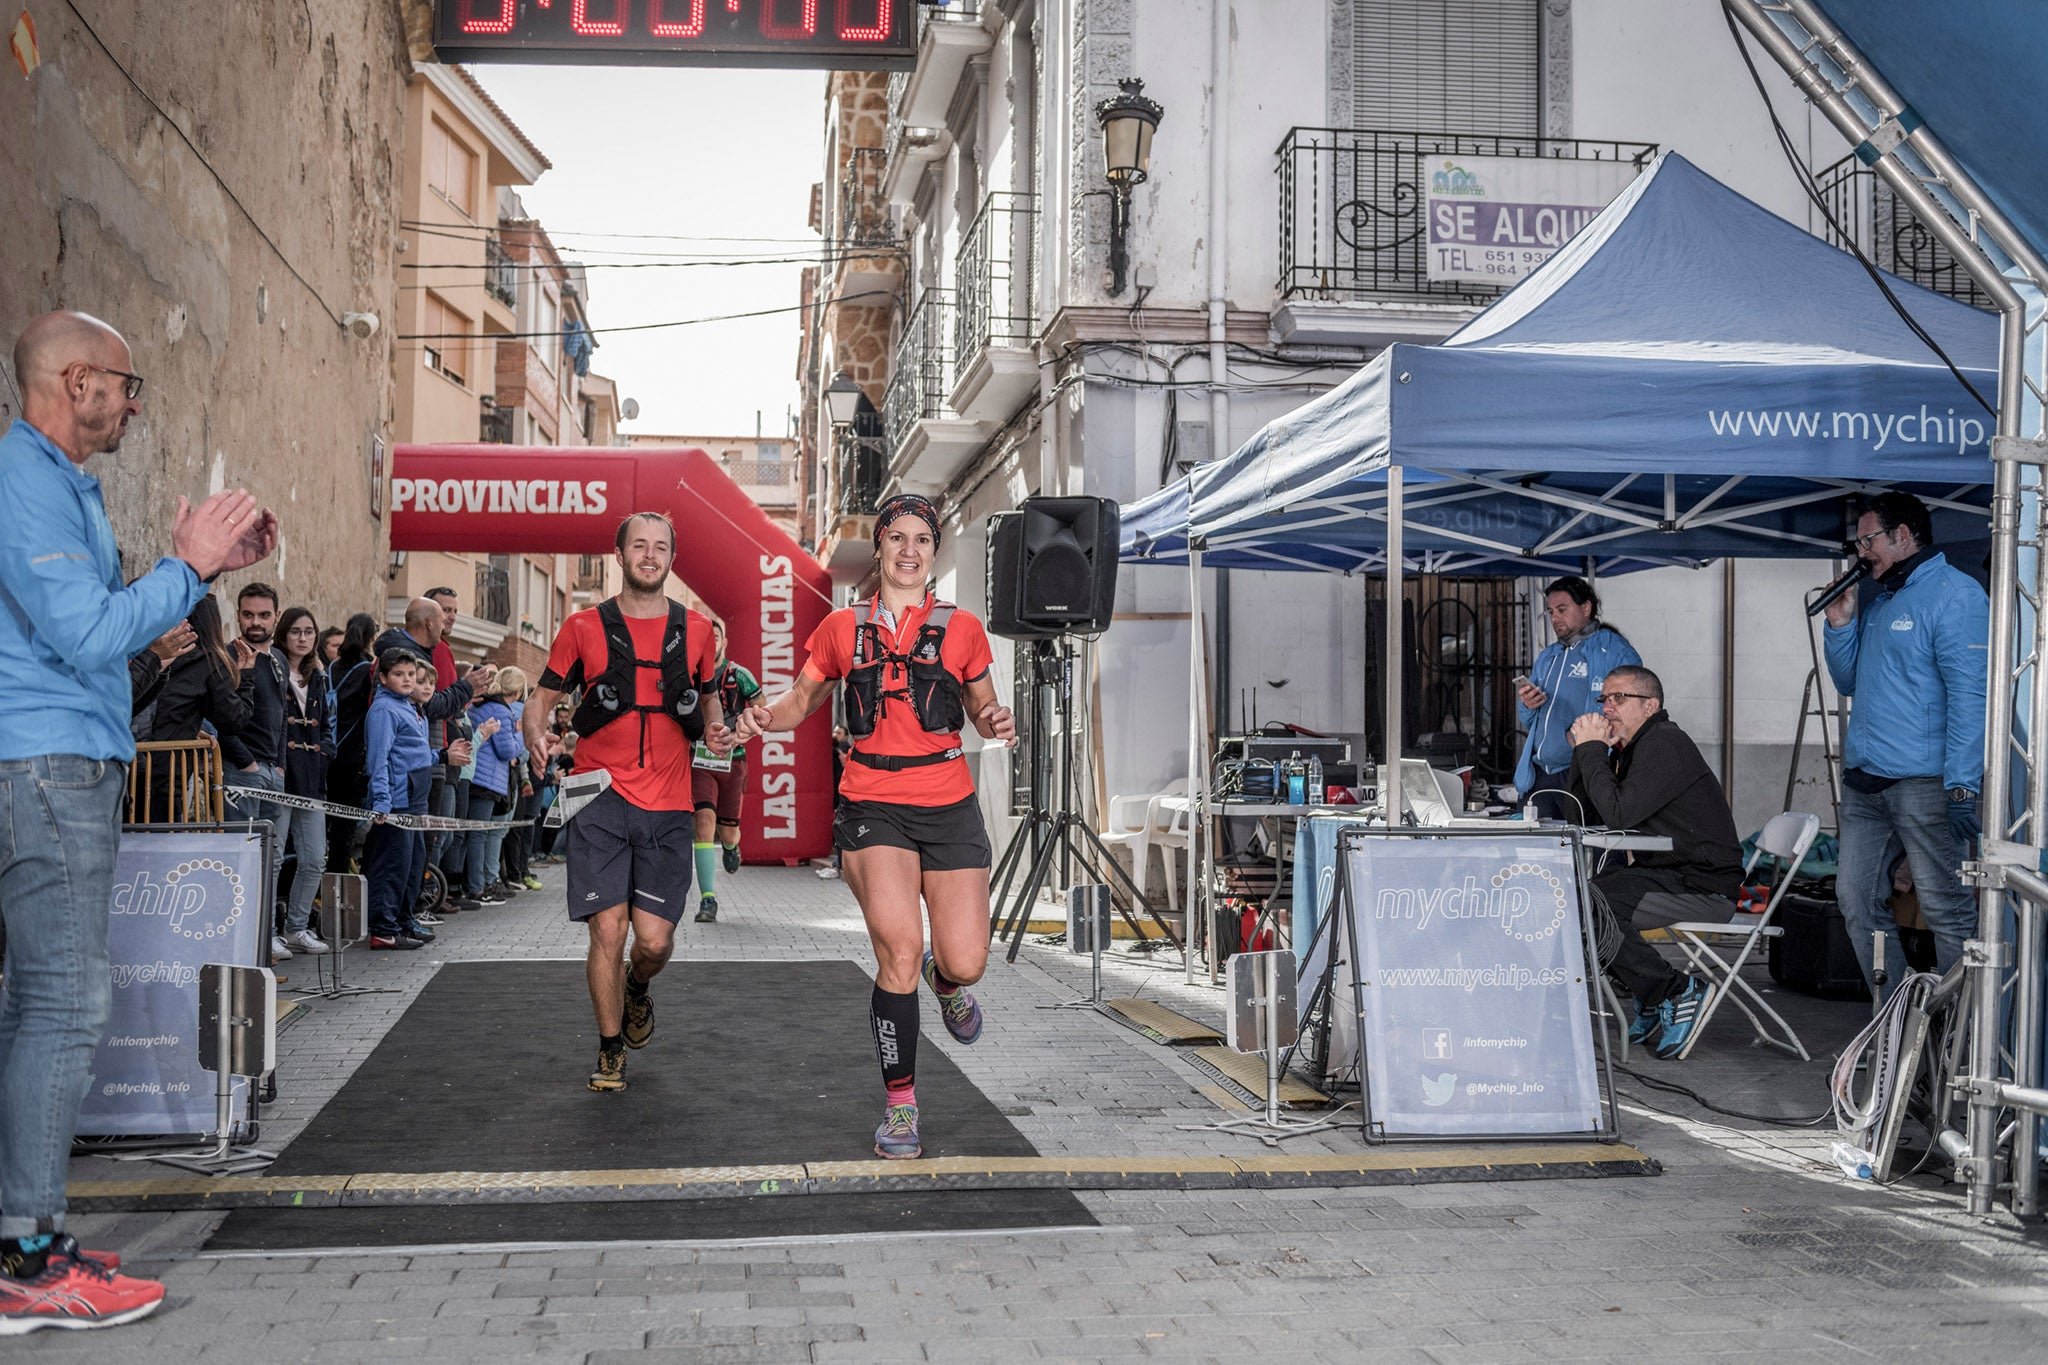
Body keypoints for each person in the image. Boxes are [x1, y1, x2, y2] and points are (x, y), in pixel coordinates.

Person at [0, 308, 275, 1333]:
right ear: (76, 383)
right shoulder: (27, 479)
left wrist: (206, 567)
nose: (134, 401)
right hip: (45, 769)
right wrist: (189, 570)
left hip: (53, 762)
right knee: (62, 1010)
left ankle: (25, 1238)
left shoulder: (56, 483)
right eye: (126, 382)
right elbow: (86, 634)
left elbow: (100, 635)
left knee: (40, 1005)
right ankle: (28, 1262)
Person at [733, 494, 1015, 1159]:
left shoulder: (963, 627)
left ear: (933, 551)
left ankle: (944, 983)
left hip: (947, 803)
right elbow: (801, 699)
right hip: (871, 803)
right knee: (896, 949)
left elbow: (981, 707)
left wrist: (996, 720)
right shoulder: (839, 628)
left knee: (965, 958)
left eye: (923, 539)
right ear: (880, 545)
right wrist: (757, 717)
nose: (910, 550)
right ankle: (901, 1105)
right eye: (897, 538)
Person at [523, 512, 729, 1093]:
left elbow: (711, 705)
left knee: (654, 940)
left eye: (660, 546)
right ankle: (611, 1049)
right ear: (619, 554)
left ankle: (637, 988)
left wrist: (715, 731)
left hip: (668, 802)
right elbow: (538, 703)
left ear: (670, 558)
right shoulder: (583, 626)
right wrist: (534, 734)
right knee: (607, 932)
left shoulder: (698, 632)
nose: (649, 554)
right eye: (638, 545)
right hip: (598, 798)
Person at [1824, 491, 1989, 988]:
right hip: (1864, 783)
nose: (1860, 552)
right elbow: (1850, 680)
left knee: (1946, 910)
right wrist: (1841, 624)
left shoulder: (1955, 595)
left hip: (1924, 783)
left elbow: (1970, 696)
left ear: (1902, 535)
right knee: (1855, 901)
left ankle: (1958, 1043)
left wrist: (1962, 784)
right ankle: (1895, 1025)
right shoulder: (1884, 599)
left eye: (1868, 540)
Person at [1566, 665, 1743, 1060]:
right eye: (1603, 699)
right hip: (1666, 873)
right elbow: (1583, 818)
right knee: (1579, 898)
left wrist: (1593, 750)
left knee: (1588, 904)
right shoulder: (1632, 751)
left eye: (1618, 698)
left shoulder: (1664, 744)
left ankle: (1674, 990)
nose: (1607, 708)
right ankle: (1650, 995)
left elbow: (1617, 813)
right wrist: (1585, 754)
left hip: (1703, 885)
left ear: (1650, 705)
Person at [1514, 576, 1641, 820]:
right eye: (1551, 612)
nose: (1554, 618)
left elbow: (1631, 712)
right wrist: (1528, 706)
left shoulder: (1615, 650)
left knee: (1585, 852)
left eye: (1562, 609)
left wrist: (1584, 734)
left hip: (1584, 774)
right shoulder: (1549, 656)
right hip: (1540, 775)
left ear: (1586, 608)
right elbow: (1531, 722)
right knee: (1535, 856)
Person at [219, 585, 292, 951]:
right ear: (238, 614)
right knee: (241, 860)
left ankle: (265, 937)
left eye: (264, 615)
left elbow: (281, 719)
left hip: (270, 774)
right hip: (240, 774)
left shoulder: (278, 659)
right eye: (248, 614)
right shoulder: (229, 656)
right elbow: (217, 720)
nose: (256, 622)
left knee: (271, 860)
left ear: (276, 617)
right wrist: (246, 763)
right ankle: (241, 943)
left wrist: (278, 765)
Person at [142, 594, 257, 821]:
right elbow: (234, 719)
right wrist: (245, 677)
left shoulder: (148, 654)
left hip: (128, 769)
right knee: (158, 850)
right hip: (165, 776)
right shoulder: (208, 662)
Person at [691, 619, 764, 923]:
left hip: (734, 759)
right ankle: (708, 899)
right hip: (701, 760)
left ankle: (732, 845)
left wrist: (745, 728)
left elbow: (763, 709)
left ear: (724, 642)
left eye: (716, 637)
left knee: (727, 829)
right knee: (703, 822)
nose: (712, 642)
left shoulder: (739, 675)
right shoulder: (689, 676)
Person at [363, 650, 435, 950]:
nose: (407, 680)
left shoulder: (408, 707)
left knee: (413, 865)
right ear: (383, 678)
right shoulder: (384, 710)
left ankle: (403, 920)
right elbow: (378, 758)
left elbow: (414, 753)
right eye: (399, 675)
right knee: (393, 865)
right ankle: (383, 929)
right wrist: (382, 799)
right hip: (397, 801)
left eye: (410, 674)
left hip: (416, 799)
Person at [274, 607, 333, 955]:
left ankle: (296, 927)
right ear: (284, 634)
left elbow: (326, 723)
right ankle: (266, 931)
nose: (302, 638)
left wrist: (326, 750)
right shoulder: (272, 668)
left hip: (312, 776)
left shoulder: (319, 676)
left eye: (309, 632)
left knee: (314, 858)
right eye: (296, 631)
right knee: (275, 856)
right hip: (282, 775)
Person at [463, 669, 524, 906]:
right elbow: (507, 750)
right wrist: (519, 735)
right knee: (479, 834)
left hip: (477, 775)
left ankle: (474, 883)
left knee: (474, 834)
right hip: (486, 779)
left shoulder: (483, 704)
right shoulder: (501, 710)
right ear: (518, 691)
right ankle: (478, 887)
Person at [326, 612, 381, 874]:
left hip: (328, 751)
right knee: (345, 828)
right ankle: (337, 880)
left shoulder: (331, 667)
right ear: (372, 637)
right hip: (352, 753)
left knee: (327, 823)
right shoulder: (368, 669)